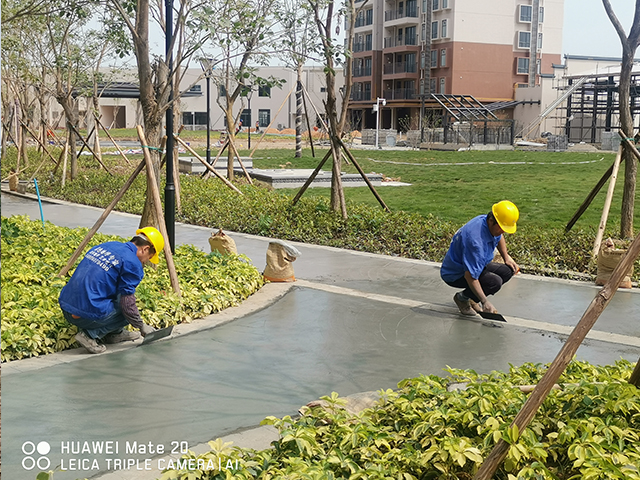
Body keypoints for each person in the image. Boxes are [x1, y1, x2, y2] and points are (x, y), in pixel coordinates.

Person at [59, 227, 163, 354]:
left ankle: (114, 334)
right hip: (85, 315)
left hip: (66, 306)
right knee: (128, 307)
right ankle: (89, 335)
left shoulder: (110, 245)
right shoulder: (133, 263)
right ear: (145, 249)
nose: (146, 261)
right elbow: (128, 305)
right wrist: (141, 326)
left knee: (121, 294)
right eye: (149, 257)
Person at [440, 201, 520, 316]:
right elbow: (470, 276)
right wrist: (485, 301)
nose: (503, 232)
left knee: (508, 270)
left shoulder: (487, 221)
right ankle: (462, 299)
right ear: (492, 221)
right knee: (494, 282)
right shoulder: (475, 242)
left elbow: (499, 236)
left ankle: (472, 298)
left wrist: (506, 257)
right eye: (502, 228)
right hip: (456, 274)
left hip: (475, 265)